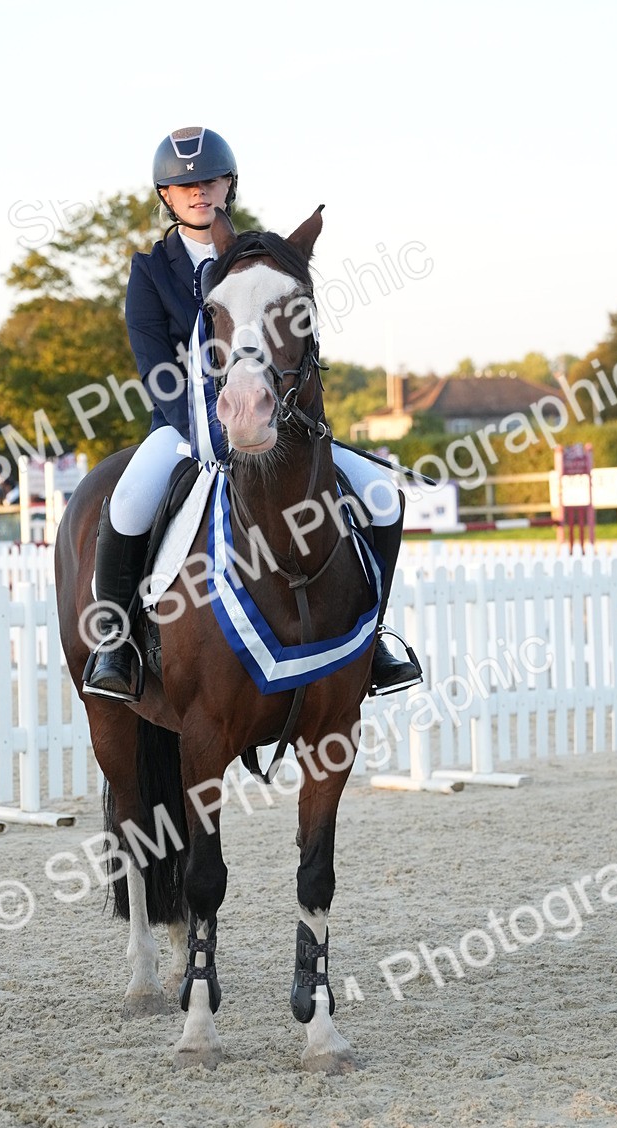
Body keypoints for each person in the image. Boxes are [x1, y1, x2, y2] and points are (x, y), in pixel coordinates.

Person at [84, 126, 420, 701]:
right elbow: (155, 366)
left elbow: (295, 349)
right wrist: (209, 432)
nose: (198, 192)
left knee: (383, 497)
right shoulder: (150, 270)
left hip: (277, 424)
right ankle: (115, 643)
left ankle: (376, 637)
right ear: (165, 195)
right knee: (129, 501)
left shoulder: (260, 258)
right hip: (182, 429)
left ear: (229, 185)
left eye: (209, 180)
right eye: (182, 184)